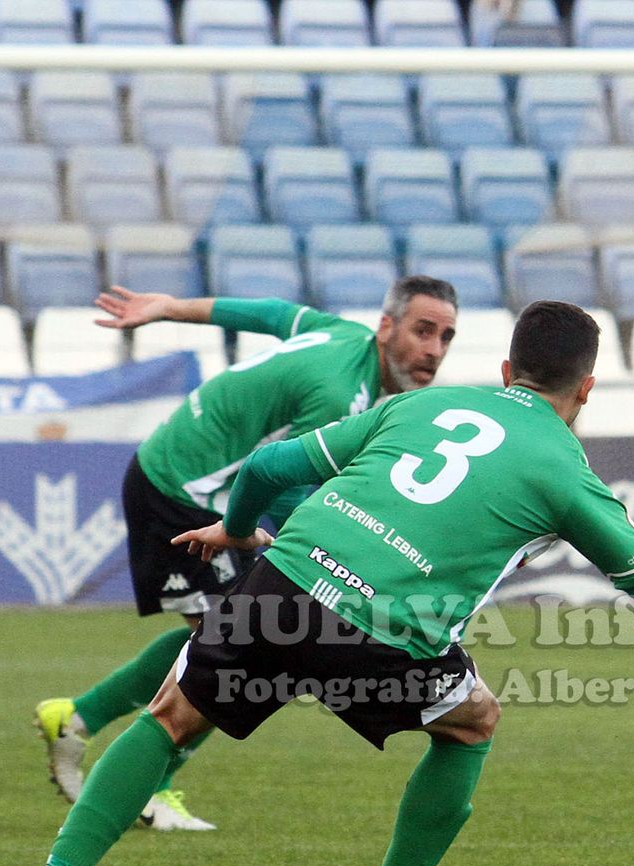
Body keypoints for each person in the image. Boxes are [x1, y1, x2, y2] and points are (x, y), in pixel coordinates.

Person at [0, 301, 634, 866]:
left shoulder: (418, 406)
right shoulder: (568, 474)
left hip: (286, 580)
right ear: (585, 388)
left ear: (505, 368)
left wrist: (239, 529)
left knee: (170, 718)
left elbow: (273, 463)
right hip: (381, 633)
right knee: (473, 720)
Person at [32, 278, 458, 831]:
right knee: (232, 644)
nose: (434, 349)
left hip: (190, 478)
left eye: (446, 336)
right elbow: (284, 485)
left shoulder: (339, 334)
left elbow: (270, 312)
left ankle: (80, 717)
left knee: (230, 638)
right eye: (423, 330)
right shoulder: (338, 394)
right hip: (182, 488)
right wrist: (307, 560)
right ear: (386, 326)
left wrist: (169, 306)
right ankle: (140, 775)